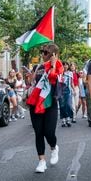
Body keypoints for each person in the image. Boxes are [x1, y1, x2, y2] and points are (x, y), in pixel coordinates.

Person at [29, 43, 64, 173]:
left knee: (49, 132)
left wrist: (53, 65)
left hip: (50, 104)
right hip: (35, 103)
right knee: (39, 132)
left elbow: (53, 78)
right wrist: (30, 78)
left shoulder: (59, 66)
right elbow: (32, 83)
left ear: (53, 55)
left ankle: (54, 147)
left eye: (45, 52)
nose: (42, 54)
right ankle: (41, 161)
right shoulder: (38, 67)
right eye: (42, 52)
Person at [59, 62, 74, 127]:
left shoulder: (70, 73)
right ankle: (63, 120)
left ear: (68, 66)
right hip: (61, 91)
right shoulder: (59, 73)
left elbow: (71, 82)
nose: (65, 66)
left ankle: (68, 119)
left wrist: (73, 90)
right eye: (64, 65)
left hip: (68, 91)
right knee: (62, 106)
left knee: (68, 105)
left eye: (66, 65)